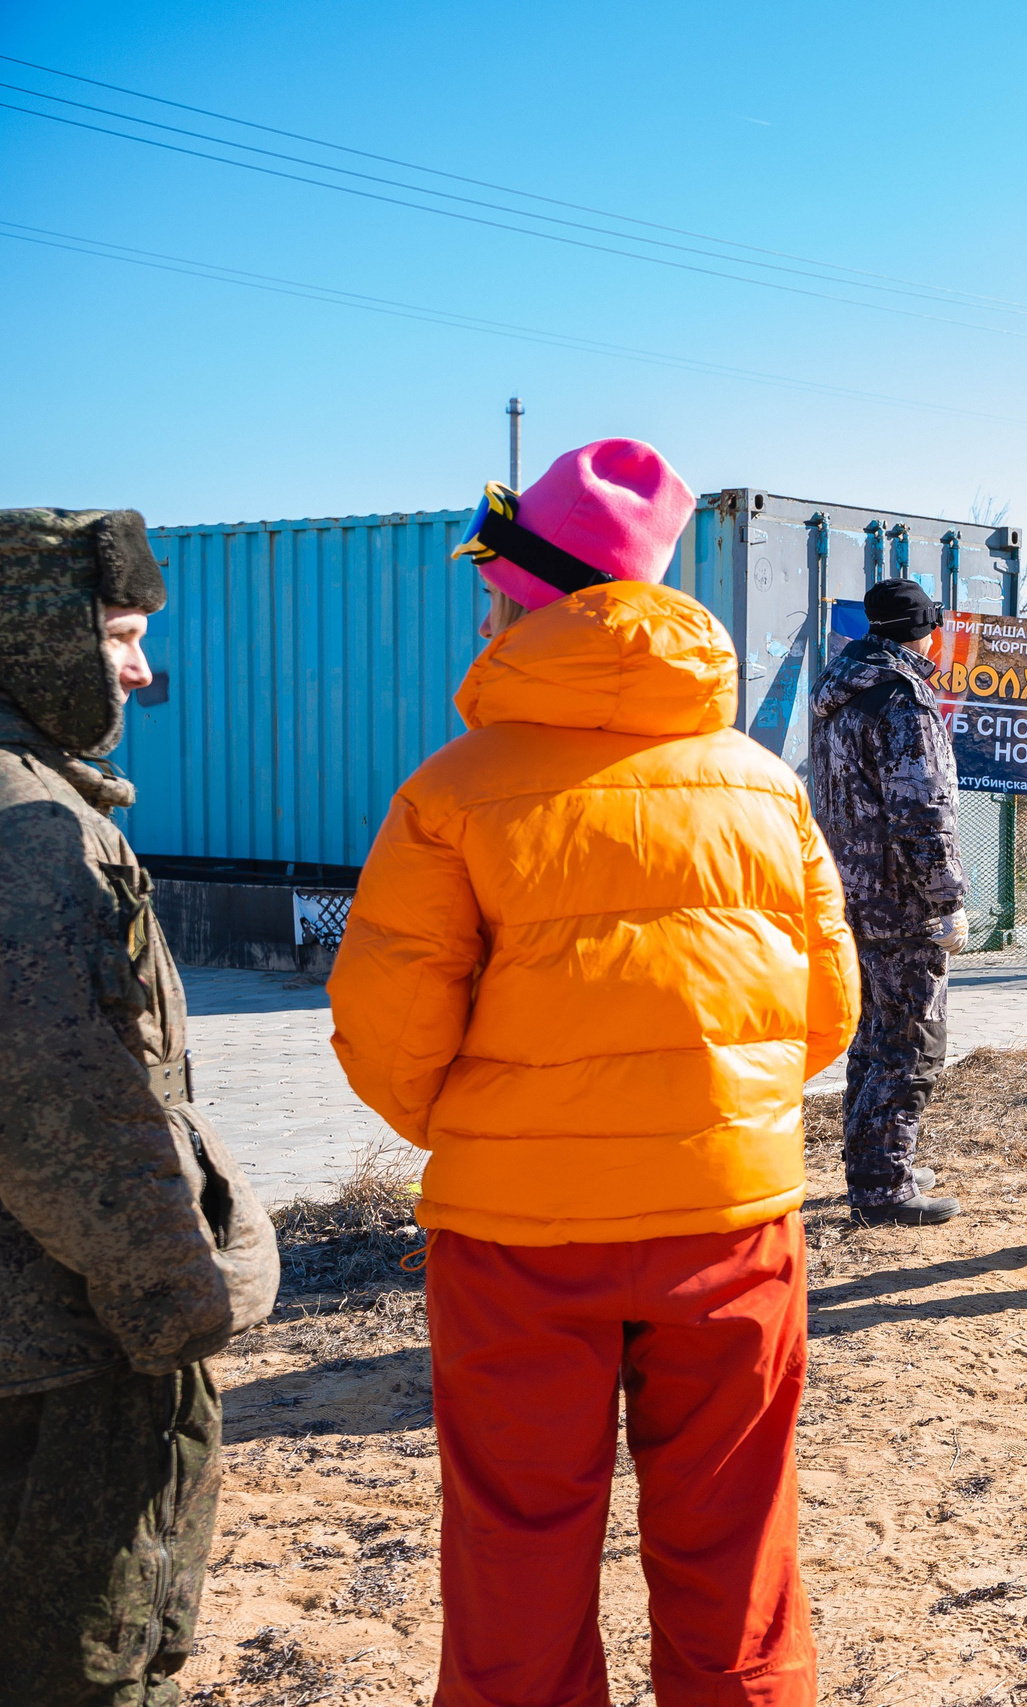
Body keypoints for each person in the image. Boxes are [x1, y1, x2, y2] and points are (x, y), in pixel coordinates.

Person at [327, 440, 859, 1707]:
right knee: (737, 1546)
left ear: (524, 603)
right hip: (729, 1225)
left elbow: (389, 1034)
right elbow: (828, 1011)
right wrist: (710, 1110)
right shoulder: (761, 786)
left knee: (516, 1549)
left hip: (516, 1245)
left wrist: (494, 1131)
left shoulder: (450, 793)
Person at [0, 507, 279, 1704]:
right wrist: (181, 1303)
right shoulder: (29, 829)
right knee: (87, 1659)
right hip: (60, 1354)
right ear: (33, 638)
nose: (140, 668)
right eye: (118, 633)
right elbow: (55, 1098)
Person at [809, 577, 969, 1227]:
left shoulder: (840, 690)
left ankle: (877, 1161)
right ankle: (883, 1186)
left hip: (851, 895)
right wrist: (946, 897)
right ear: (923, 631)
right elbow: (921, 808)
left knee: (876, 1035)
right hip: (903, 903)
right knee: (912, 1041)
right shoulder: (903, 698)